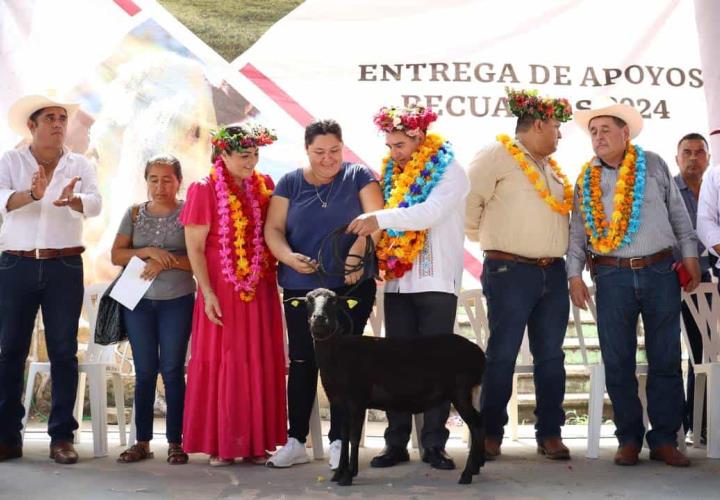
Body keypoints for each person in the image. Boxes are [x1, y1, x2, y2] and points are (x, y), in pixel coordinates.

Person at [568, 98, 700, 467]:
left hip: (660, 270)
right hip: (610, 274)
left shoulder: (654, 163)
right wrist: (573, 274)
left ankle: (663, 440)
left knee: (666, 357)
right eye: (593, 132)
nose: (598, 137)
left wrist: (689, 256)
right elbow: (577, 232)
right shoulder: (586, 178)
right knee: (617, 359)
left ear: (626, 133)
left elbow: (678, 214)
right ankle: (628, 438)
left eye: (606, 129)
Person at [347, 104, 469, 471]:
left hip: (436, 282)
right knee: (395, 365)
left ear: (419, 137)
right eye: (389, 145)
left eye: (399, 144)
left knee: (436, 365)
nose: (393, 152)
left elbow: (428, 214)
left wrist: (378, 218)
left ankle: (434, 444)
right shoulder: (394, 175)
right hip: (399, 284)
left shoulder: (450, 171)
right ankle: (396, 443)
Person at [264, 119, 383, 470]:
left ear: (343, 148)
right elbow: (273, 228)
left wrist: (360, 249)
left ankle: (340, 441)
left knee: (344, 364)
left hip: (349, 286)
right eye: (319, 152)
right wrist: (287, 257)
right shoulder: (289, 182)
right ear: (307, 150)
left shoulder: (359, 175)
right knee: (302, 360)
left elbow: (377, 219)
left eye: (334, 151)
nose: (328, 158)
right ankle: (295, 440)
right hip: (302, 286)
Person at [464, 88, 574, 461]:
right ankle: (490, 433)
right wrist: (497, 242)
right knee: (502, 354)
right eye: (557, 126)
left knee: (551, 357)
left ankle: (550, 433)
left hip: (553, 273)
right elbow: (468, 206)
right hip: (509, 270)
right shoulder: (496, 154)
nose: (560, 134)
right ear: (539, 124)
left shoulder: (551, 167)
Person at [0, 94, 102, 464]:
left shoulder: (80, 163)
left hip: (64, 265)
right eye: (51, 118)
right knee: (10, 350)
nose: (59, 124)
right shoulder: (11, 160)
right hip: (16, 264)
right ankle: (7, 438)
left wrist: (74, 201)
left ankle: (62, 438)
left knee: (63, 351)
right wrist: (31, 195)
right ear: (32, 125)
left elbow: (95, 203)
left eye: (62, 118)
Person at [181, 124, 287, 466]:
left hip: (261, 287)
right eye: (244, 155)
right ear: (222, 154)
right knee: (227, 359)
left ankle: (257, 443)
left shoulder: (265, 185)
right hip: (222, 291)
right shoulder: (204, 188)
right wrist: (207, 291)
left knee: (259, 358)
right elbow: (195, 248)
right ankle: (222, 443)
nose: (252, 161)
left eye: (256, 154)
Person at [111, 155, 195, 464]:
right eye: (153, 179)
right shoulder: (133, 214)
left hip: (178, 300)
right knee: (145, 371)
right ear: (146, 181)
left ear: (179, 181)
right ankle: (141, 442)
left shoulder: (190, 212)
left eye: (167, 179)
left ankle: (176, 441)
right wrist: (148, 251)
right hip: (139, 304)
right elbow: (116, 255)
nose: (160, 186)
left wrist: (165, 261)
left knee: (172, 370)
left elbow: (199, 261)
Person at [674, 133, 711, 445]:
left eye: (700, 152)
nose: (693, 158)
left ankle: (706, 423)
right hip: (683, 282)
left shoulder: (715, 189)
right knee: (699, 350)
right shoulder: (669, 191)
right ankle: (695, 425)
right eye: (687, 152)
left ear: (708, 159)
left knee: (712, 353)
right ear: (677, 158)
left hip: (714, 278)